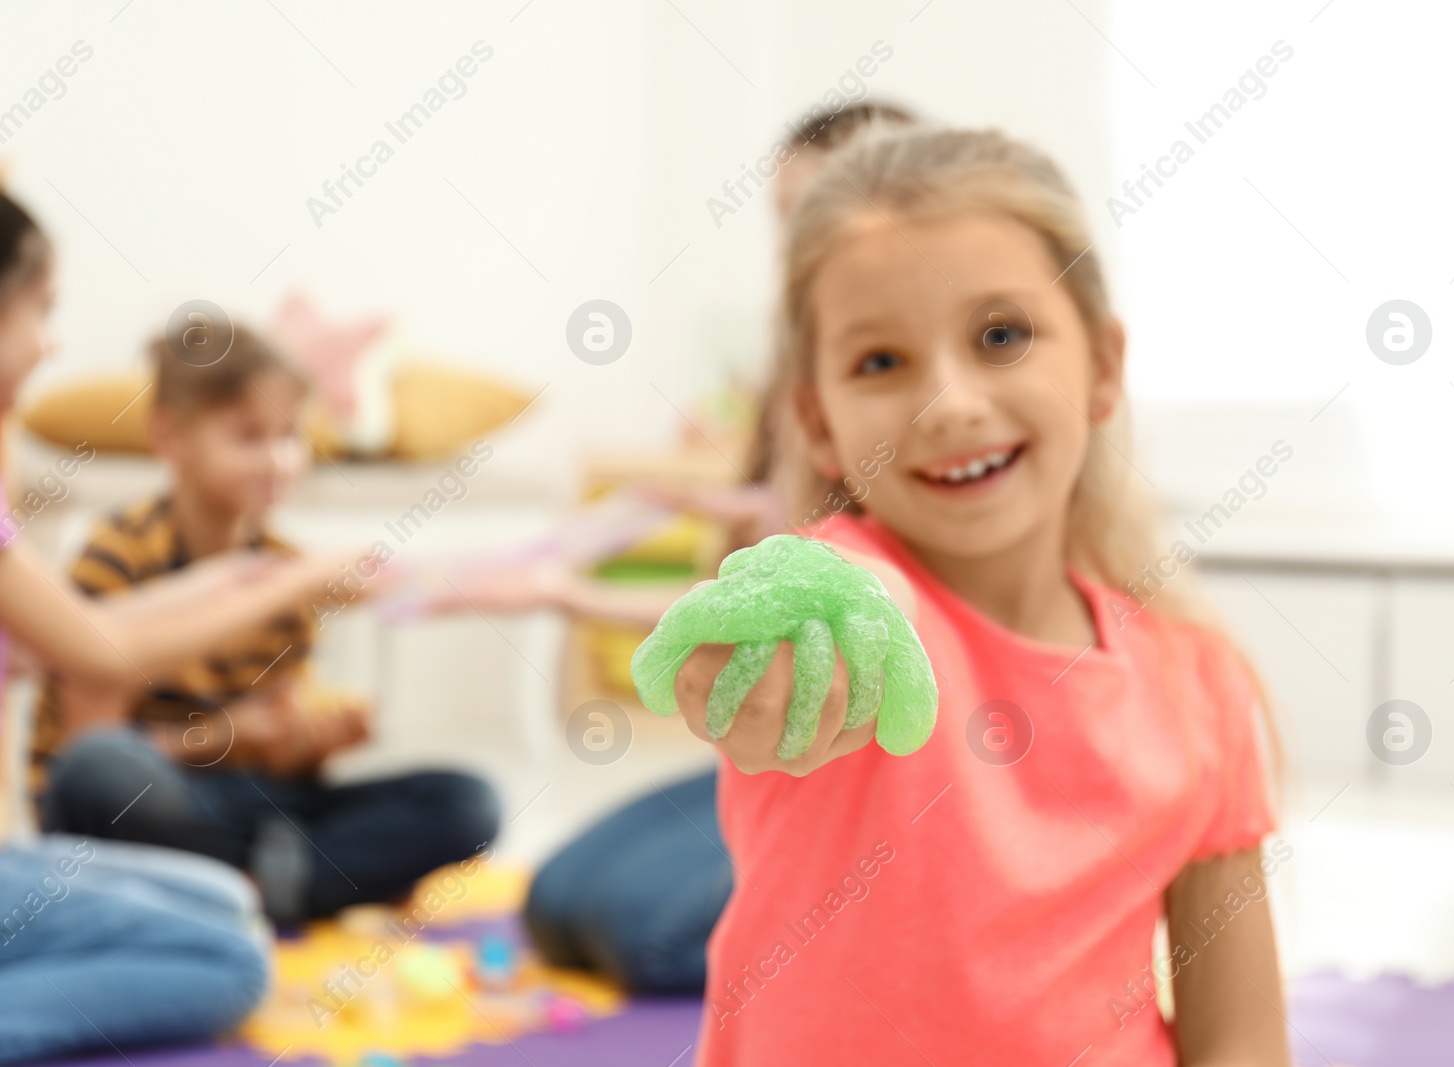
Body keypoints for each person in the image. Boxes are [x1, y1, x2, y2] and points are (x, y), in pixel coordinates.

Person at [673, 124, 1289, 1064]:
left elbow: (1239, 1035)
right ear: (817, 418)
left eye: (1001, 336)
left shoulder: (1197, 683)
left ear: (1103, 366)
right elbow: (834, 607)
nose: (948, 403)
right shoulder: (849, 601)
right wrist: (761, 668)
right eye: (881, 362)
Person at [432, 102, 920, 996]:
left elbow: (839, 587)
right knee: (559, 900)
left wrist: (566, 594)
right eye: (786, 221)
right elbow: (769, 565)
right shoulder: (800, 372)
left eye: (820, 215)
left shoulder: (910, 391)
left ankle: (896, 926)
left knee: (643, 935)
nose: (796, 248)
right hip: (781, 755)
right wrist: (726, 505)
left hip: (873, 777)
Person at [0, 189, 359, 1060]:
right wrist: (295, 580)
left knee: (224, 901)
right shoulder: (120, 541)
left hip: (213, 807)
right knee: (235, 961)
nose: (52, 342)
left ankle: (283, 867)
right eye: (40, 310)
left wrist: (258, 581)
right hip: (112, 794)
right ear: (174, 439)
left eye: (289, 437)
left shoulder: (265, 558)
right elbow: (102, 655)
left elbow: (86, 625)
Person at [33, 321, 500, 927]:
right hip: (158, 798)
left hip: (246, 818)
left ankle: (255, 887)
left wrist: (305, 740)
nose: (278, 461)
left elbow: (279, 772)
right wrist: (226, 734)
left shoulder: (287, 567)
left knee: (466, 801)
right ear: (170, 436)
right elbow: (86, 748)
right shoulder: (118, 554)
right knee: (104, 774)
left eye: (290, 436)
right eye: (250, 437)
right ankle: (294, 885)